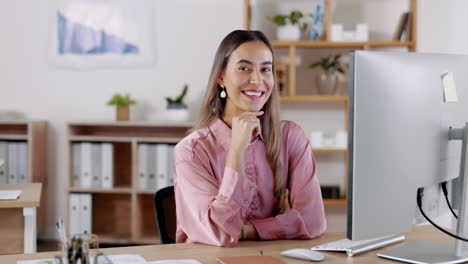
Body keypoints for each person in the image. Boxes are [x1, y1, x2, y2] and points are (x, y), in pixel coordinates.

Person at [173, 30, 326, 247]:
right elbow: (220, 234)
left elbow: (313, 221)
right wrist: (236, 150)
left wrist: (248, 230)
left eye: (266, 69)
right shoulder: (191, 151)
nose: (257, 80)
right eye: (244, 68)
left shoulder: (290, 137)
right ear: (221, 77)